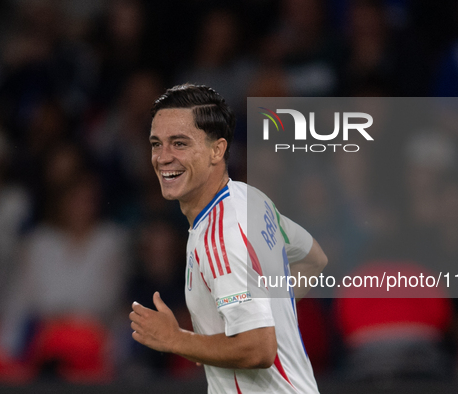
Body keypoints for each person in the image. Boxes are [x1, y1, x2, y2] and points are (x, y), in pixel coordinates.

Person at [129, 84, 328, 393]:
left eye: (179, 143)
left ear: (217, 150)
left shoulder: (221, 237)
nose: (163, 157)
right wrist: (238, 327)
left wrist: (176, 339)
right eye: (157, 144)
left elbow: (258, 349)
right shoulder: (249, 199)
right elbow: (314, 258)